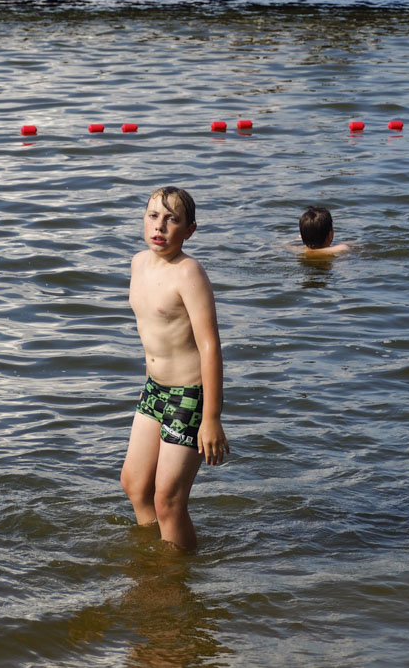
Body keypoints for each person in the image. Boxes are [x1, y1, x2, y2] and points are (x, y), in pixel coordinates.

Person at [121, 186, 229, 551]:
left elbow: (209, 346)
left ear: (190, 230)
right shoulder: (138, 263)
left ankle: (178, 571)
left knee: (168, 499)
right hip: (154, 390)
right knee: (135, 485)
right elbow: (154, 335)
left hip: (189, 395)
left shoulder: (188, 273)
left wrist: (211, 418)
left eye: (172, 220)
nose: (160, 227)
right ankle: (155, 556)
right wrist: (148, 383)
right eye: (154, 216)